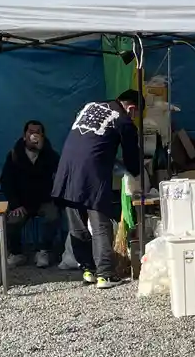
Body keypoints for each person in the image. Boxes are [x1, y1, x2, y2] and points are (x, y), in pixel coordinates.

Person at [51, 91, 142, 290]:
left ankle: (88, 271)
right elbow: (132, 157)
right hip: (92, 175)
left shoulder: (89, 106)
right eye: (136, 114)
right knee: (100, 224)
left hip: (67, 170)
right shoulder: (123, 119)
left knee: (77, 225)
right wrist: (136, 174)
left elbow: (90, 141)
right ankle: (105, 275)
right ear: (132, 108)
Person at [0, 120, 63, 269]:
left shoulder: (49, 154)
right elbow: (6, 181)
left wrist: (43, 151)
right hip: (22, 202)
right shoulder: (15, 154)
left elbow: (60, 172)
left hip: (44, 200)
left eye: (38, 132)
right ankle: (16, 253)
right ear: (24, 135)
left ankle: (43, 251)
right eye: (31, 132)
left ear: (43, 136)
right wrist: (15, 204)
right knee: (12, 221)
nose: (34, 135)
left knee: (53, 216)